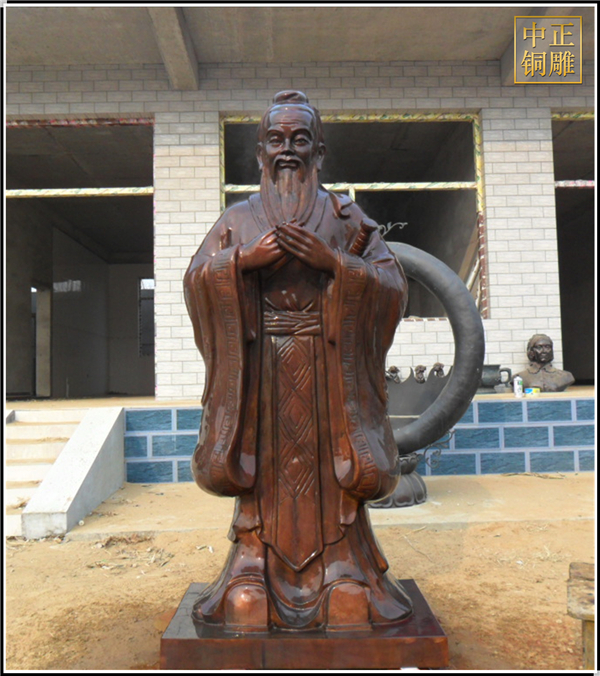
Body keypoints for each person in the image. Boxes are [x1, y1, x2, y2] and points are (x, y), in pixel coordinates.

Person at [184, 91, 411, 631]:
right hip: (258, 373)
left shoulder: (345, 216)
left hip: (329, 372)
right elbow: (196, 279)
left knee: (333, 473)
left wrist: (334, 263)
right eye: (276, 140)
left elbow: (393, 285)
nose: (287, 150)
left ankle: (342, 568)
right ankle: (252, 566)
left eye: (300, 139)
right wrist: (243, 260)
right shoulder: (238, 218)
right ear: (260, 152)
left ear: (319, 151)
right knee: (261, 471)